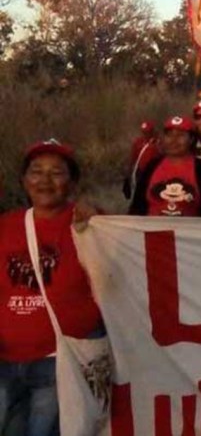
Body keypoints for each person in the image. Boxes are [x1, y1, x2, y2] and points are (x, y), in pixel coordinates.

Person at [0, 139, 105, 434]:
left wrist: (98, 216)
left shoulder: (88, 225)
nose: (45, 180)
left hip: (60, 365)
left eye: (57, 172)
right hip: (6, 362)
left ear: (72, 182)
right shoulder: (5, 225)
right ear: (24, 180)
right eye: (36, 171)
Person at [129, 116, 201, 217]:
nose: (174, 140)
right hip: (153, 226)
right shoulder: (152, 166)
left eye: (180, 135)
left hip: (190, 227)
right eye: (169, 135)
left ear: (191, 139)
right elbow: (137, 208)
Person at [122, 120, 160, 201]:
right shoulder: (138, 142)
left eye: (147, 132)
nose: (145, 134)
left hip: (153, 172)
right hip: (140, 172)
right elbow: (132, 158)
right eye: (144, 132)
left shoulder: (158, 143)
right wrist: (127, 178)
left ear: (152, 132)